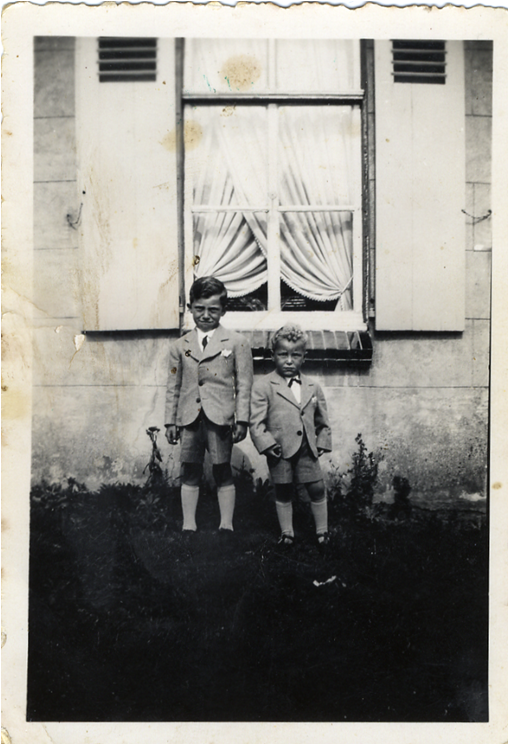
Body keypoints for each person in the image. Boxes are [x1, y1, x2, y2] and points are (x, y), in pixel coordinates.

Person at [165, 276, 253, 535]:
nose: (205, 315)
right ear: (190, 308)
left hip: (220, 418)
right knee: (190, 469)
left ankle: (226, 524)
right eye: (199, 309)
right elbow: (173, 386)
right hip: (189, 418)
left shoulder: (236, 343)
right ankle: (189, 524)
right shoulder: (179, 346)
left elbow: (244, 385)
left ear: (223, 310)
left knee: (222, 468)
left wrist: (242, 420)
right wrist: (170, 421)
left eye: (213, 310)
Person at [250, 324, 332, 548]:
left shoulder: (313, 387)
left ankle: (322, 532)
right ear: (272, 355)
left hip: (307, 449)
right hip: (280, 450)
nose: (288, 361)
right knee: (283, 490)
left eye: (295, 355)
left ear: (304, 357)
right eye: (282, 355)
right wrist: (267, 444)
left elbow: (322, 420)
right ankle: (287, 533)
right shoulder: (263, 386)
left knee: (317, 488)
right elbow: (256, 422)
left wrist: (322, 441)